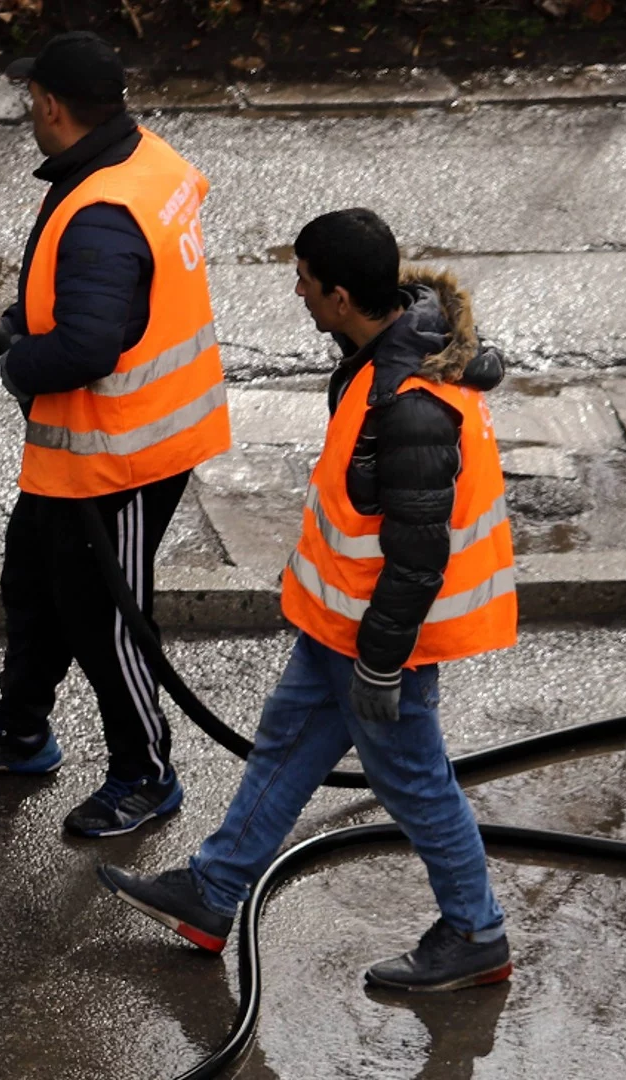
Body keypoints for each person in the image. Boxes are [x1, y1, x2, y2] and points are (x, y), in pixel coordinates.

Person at [96, 208, 519, 992]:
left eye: (305, 282)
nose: (296, 292)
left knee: (416, 783)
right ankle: (214, 892)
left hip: (380, 640)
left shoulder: (413, 406)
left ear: (343, 297)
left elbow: (418, 557)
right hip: (339, 623)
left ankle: (475, 932)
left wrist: (385, 667)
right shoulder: (376, 353)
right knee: (287, 742)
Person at [0, 31, 232, 838]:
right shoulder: (135, 161)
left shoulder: (100, 209)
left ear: (52, 105)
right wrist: (10, 324)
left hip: (126, 456)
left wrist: (16, 358)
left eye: (31, 97)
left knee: (105, 615)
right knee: (34, 579)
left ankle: (146, 773)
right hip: (92, 449)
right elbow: (97, 301)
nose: (29, 108)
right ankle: (21, 730)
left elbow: (92, 345)